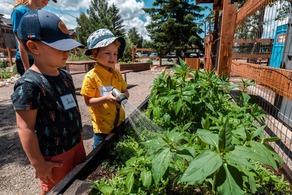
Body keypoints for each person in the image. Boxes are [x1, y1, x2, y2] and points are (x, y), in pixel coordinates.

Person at [11, 9, 86, 195]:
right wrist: (39, 164)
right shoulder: (29, 84)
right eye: (60, 47)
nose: (67, 52)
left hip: (77, 145)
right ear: (34, 47)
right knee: (58, 190)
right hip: (55, 156)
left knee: (80, 184)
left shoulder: (65, 76)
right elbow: (25, 128)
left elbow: (71, 106)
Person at [80, 29, 129, 149]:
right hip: (102, 129)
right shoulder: (91, 77)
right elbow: (88, 102)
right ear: (94, 53)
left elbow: (125, 91)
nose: (112, 57)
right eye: (107, 53)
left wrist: (124, 97)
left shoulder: (117, 74)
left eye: (115, 53)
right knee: (100, 153)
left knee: (117, 149)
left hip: (119, 122)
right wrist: (105, 99)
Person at [11, 0, 57, 76]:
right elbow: (21, 42)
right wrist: (27, 69)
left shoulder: (40, 13)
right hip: (28, 60)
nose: (46, 1)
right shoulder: (19, 11)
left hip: (40, 58)